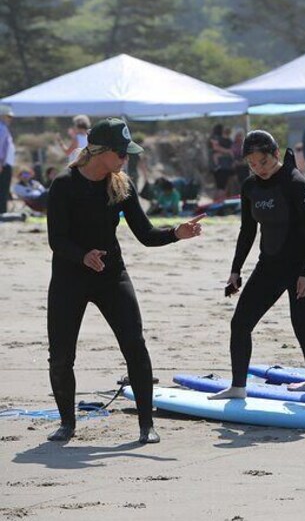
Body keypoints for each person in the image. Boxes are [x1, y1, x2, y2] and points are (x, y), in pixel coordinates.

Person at [46, 118, 204, 444]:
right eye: (121, 152)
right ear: (99, 151)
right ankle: (67, 424)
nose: (125, 158)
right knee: (61, 355)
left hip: (111, 276)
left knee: (135, 344)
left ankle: (147, 425)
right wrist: (82, 255)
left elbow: (145, 235)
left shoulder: (122, 186)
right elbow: (56, 239)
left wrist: (176, 233)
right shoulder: (64, 185)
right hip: (69, 278)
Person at [209, 130, 305, 408]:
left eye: (262, 162)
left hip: (302, 268)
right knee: (240, 323)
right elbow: (247, 231)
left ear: (275, 154)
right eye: (251, 164)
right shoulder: (251, 187)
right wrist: (235, 270)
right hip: (270, 267)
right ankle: (238, 387)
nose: (258, 169)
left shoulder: (297, 184)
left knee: (304, 327)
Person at [209, 124, 235, 201]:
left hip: (224, 167)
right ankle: (219, 201)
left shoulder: (227, 140)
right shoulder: (218, 139)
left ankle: (219, 201)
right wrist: (228, 151)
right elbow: (216, 148)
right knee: (221, 187)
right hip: (222, 167)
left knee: (221, 187)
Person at [0, 104, 15, 215]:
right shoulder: (2, 128)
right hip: (3, 164)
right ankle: (2, 212)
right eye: (8, 116)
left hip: (4, 163)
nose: (10, 119)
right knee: (3, 188)